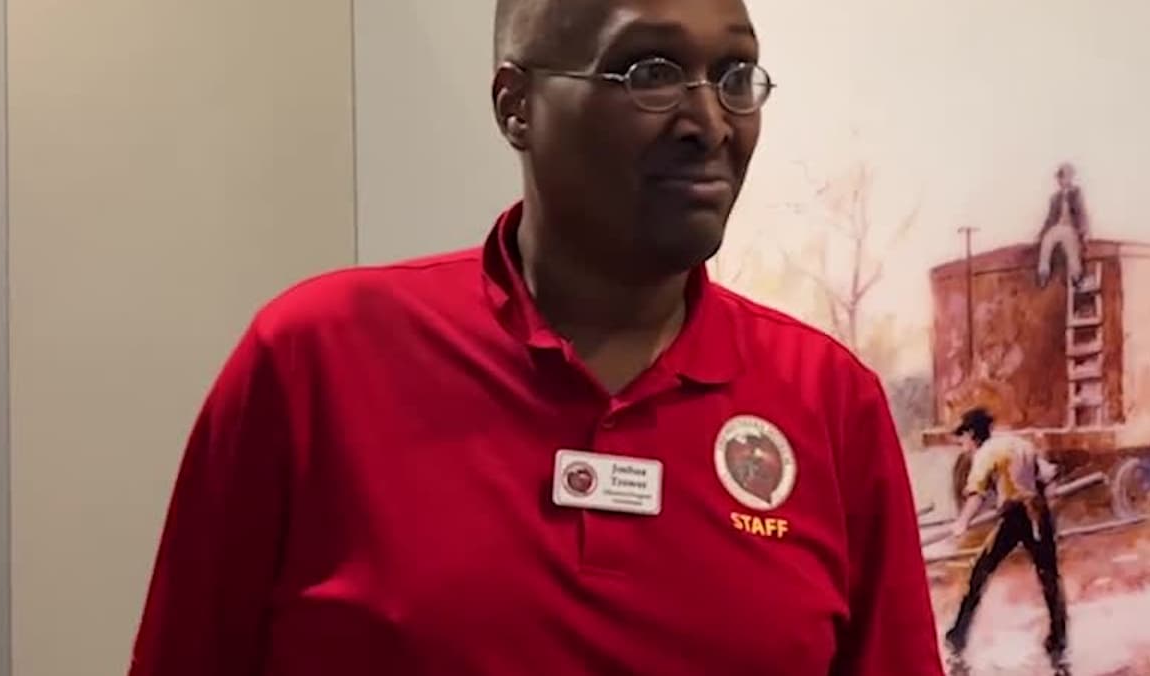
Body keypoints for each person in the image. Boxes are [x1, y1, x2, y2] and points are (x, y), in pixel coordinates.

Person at [127, 1, 944, 674]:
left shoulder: (828, 403)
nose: (709, 121)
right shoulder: (318, 359)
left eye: (734, 76)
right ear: (516, 105)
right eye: (650, 73)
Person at [944, 408, 1067, 663]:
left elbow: (976, 495)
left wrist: (962, 523)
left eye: (963, 438)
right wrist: (1046, 501)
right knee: (1049, 575)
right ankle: (1058, 638)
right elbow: (1049, 475)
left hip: (1016, 515)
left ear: (972, 434)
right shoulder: (1018, 443)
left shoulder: (985, 454)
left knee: (980, 570)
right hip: (1037, 512)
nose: (963, 445)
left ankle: (958, 635)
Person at [1035, 163, 1089, 288]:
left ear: (1070, 178)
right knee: (1047, 239)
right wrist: (1041, 234)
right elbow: (1050, 219)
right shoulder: (1055, 198)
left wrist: (1084, 231)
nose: (1062, 180)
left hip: (1070, 227)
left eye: (1064, 177)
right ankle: (1043, 273)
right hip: (1057, 227)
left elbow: (1082, 213)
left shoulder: (1076, 193)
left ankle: (1076, 276)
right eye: (1060, 178)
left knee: (1070, 244)